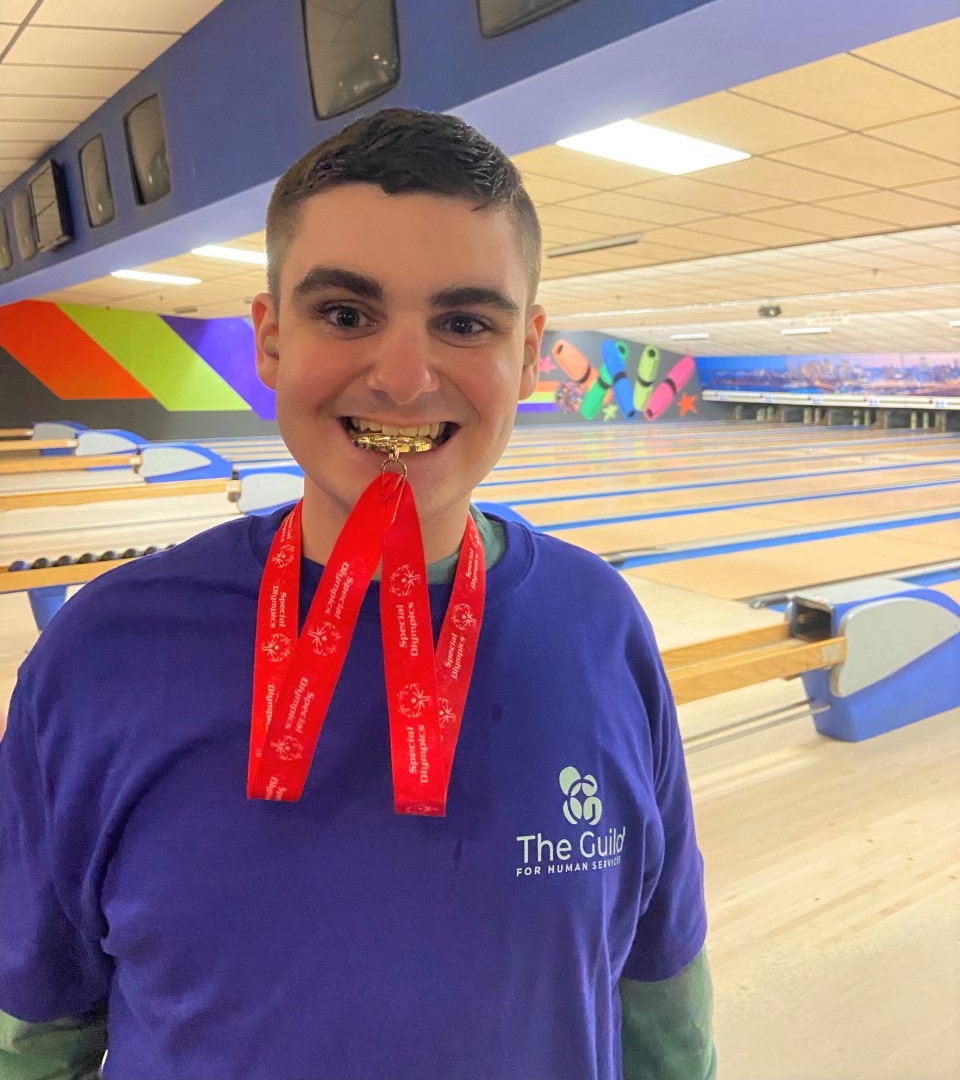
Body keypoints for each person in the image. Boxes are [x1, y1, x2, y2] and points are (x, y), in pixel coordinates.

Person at [0, 109, 716, 1080]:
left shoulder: (602, 628)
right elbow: (32, 1034)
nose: (406, 376)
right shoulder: (103, 652)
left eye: (465, 321)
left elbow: (663, 1013)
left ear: (530, 350)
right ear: (270, 338)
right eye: (346, 313)